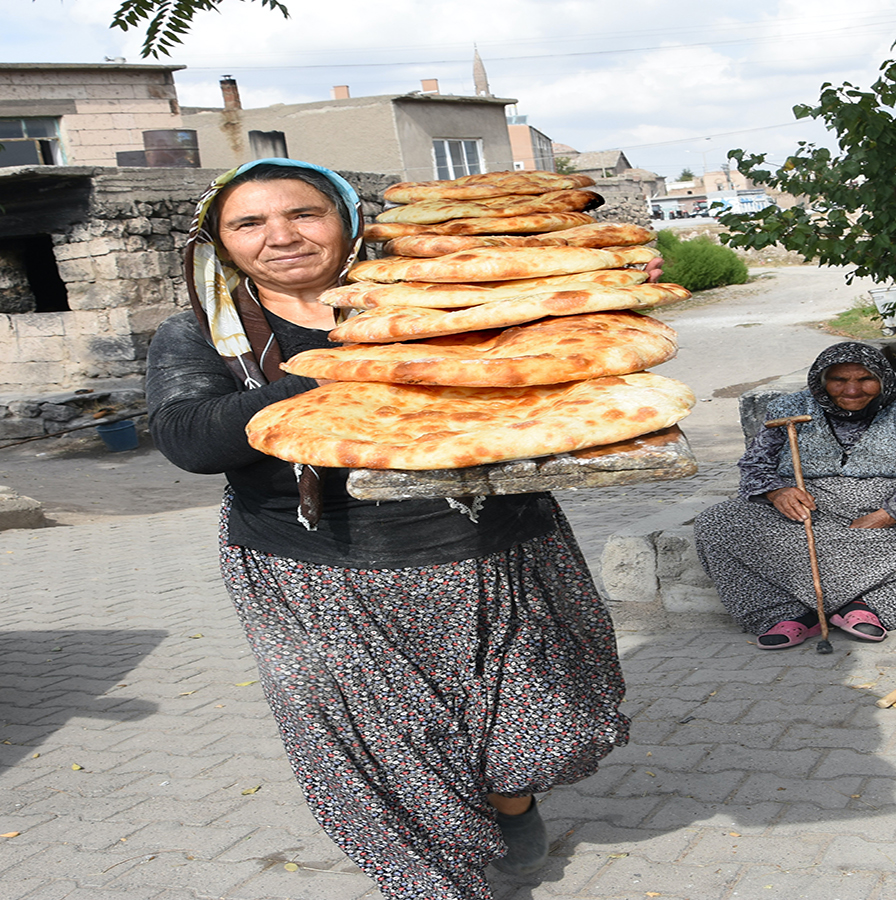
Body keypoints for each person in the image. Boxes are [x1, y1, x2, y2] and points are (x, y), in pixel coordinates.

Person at [145, 158, 628, 899]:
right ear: (220, 242)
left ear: (346, 218)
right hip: (315, 568)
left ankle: (513, 801)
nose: (280, 236)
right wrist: (329, 370)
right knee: (385, 752)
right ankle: (438, 879)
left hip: (491, 545)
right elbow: (190, 441)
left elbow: (565, 351)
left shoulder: (442, 296)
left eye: (304, 213)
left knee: (541, 724)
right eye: (249, 223)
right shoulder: (201, 336)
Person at [694, 342, 896, 649]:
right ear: (821, 381)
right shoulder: (786, 409)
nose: (852, 390)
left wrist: (889, 513)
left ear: (884, 378)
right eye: (839, 380)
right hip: (808, 512)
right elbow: (755, 463)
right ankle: (787, 614)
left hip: (891, 511)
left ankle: (870, 606)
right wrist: (777, 492)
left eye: (865, 379)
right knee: (715, 523)